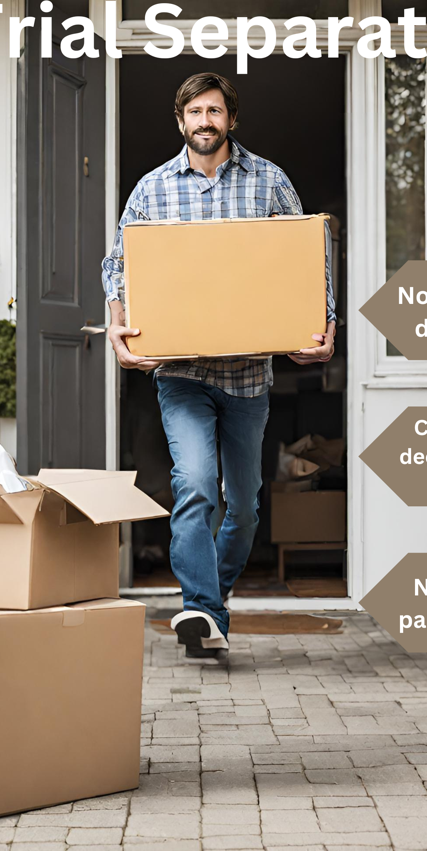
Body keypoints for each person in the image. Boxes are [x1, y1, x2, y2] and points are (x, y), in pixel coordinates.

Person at [102, 72, 336, 658]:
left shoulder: (269, 180)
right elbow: (118, 265)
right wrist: (117, 325)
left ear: (231, 118)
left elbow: (309, 260)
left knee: (247, 505)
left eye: (215, 110)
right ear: (180, 120)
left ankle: (213, 606)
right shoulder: (152, 190)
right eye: (194, 111)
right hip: (181, 374)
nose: (205, 121)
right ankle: (199, 608)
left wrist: (324, 325)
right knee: (196, 485)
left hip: (248, 377)